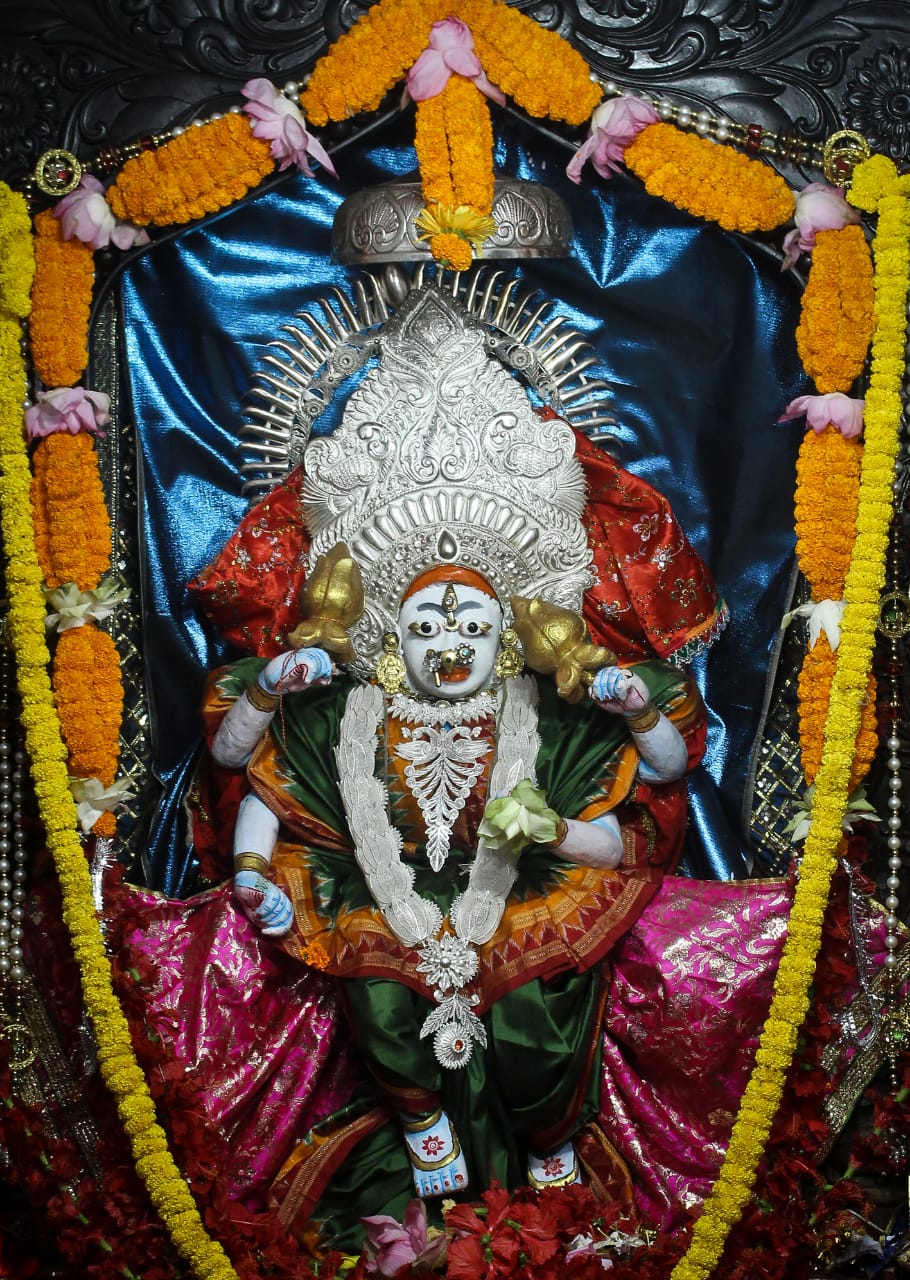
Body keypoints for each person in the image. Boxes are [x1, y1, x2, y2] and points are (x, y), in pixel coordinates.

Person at [183, 283, 723, 1227]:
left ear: (505, 637)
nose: (450, 642)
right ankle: (421, 1125)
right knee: (379, 996)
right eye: (427, 624)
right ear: (391, 637)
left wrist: (629, 722)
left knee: (534, 1010)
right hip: (377, 898)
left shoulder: (550, 708)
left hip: (527, 892)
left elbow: (668, 773)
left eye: (472, 623)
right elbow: (263, 778)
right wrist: (253, 866)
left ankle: (549, 1142)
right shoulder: (349, 708)